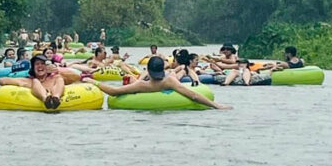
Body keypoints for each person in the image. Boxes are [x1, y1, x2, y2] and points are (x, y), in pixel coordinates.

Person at [84, 56, 231, 109]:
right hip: (167, 85)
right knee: (175, 72)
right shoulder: (169, 82)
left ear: (148, 70)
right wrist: (215, 105)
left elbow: (113, 92)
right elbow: (193, 95)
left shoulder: (141, 85)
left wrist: (92, 81)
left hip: (144, 88)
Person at [0, 54, 65, 109]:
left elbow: (75, 77)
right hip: (38, 98)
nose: (40, 66)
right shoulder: (28, 81)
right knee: (35, 81)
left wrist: (57, 69)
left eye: (42, 64)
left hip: (56, 94)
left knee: (59, 78)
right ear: (33, 68)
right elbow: (1, 81)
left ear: (47, 67)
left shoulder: (54, 78)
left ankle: (56, 98)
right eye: (37, 64)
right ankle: (45, 99)